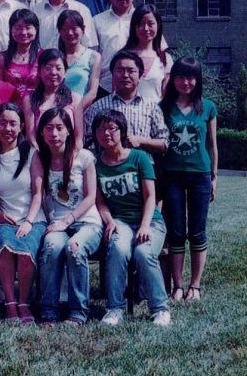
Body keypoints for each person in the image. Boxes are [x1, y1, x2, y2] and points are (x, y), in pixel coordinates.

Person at [92, 110, 170, 325]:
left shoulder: (139, 157)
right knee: (117, 250)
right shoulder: (96, 164)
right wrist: (110, 221)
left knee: (144, 253)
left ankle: (160, 309)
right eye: (100, 129)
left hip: (150, 221)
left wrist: (145, 225)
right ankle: (114, 309)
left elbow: (150, 196)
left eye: (111, 128)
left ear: (122, 131)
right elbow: (100, 202)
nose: (106, 133)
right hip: (120, 222)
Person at [156, 58, 216, 303]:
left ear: (197, 80)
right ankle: (178, 286)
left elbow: (212, 145)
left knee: (198, 231)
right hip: (172, 176)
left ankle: (195, 285)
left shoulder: (208, 107)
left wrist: (214, 177)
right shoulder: (163, 107)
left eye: (191, 77)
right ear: (173, 79)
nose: (185, 82)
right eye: (180, 76)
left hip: (200, 175)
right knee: (176, 231)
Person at [35, 108, 101, 324]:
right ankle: (49, 310)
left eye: (59, 128)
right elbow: (38, 195)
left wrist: (67, 221)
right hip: (57, 224)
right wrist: (53, 221)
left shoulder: (84, 157)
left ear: (69, 131)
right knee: (51, 248)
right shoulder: (40, 158)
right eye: (48, 128)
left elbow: (91, 197)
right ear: (42, 132)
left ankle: (78, 312)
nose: (54, 133)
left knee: (74, 248)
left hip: (87, 222)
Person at [0, 103, 44, 322]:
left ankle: (24, 302)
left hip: (33, 218)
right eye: (2, 123)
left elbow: (38, 193)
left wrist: (28, 221)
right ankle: (10, 304)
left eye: (13, 123)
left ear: (21, 126)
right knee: (4, 246)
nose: (7, 128)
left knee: (26, 250)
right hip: (5, 220)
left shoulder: (31, 154)